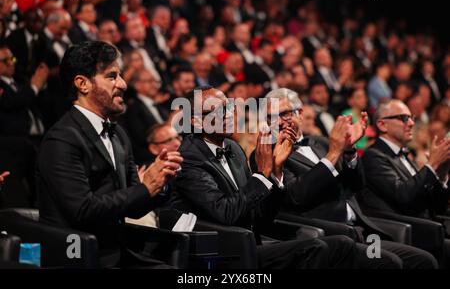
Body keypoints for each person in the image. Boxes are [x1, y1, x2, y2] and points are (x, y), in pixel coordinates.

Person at [170, 86, 358, 269]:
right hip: (222, 252)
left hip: (252, 239)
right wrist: (261, 174)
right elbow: (225, 213)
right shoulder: (188, 159)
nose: (228, 115)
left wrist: (275, 173)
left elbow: (258, 214)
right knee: (318, 248)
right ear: (196, 121)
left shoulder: (232, 147)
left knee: (343, 244)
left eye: (228, 107)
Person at [36, 41, 183, 268]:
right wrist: (144, 188)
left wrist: (160, 182)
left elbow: (135, 205)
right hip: (76, 256)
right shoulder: (62, 139)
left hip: (115, 251)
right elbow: (82, 211)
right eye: (112, 76)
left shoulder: (119, 135)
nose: (123, 84)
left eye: (120, 75)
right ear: (82, 84)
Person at [261, 88, 438, 269]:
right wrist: (333, 154)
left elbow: (357, 184)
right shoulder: (268, 153)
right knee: (390, 262)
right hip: (331, 235)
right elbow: (296, 195)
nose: (279, 122)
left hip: (363, 231)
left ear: (301, 113)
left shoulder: (321, 142)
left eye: (285, 114)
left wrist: (349, 151)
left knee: (423, 260)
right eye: (271, 117)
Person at [359, 99, 450, 218]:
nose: (412, 123)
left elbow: (437, 206)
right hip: (403, 230)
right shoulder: (373, 156)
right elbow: (403, 196)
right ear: (382, 125)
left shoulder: (404, 155)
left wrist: (441, 174)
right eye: (403, 118)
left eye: (411, 117)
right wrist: (432, 163)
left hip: (428, 225)